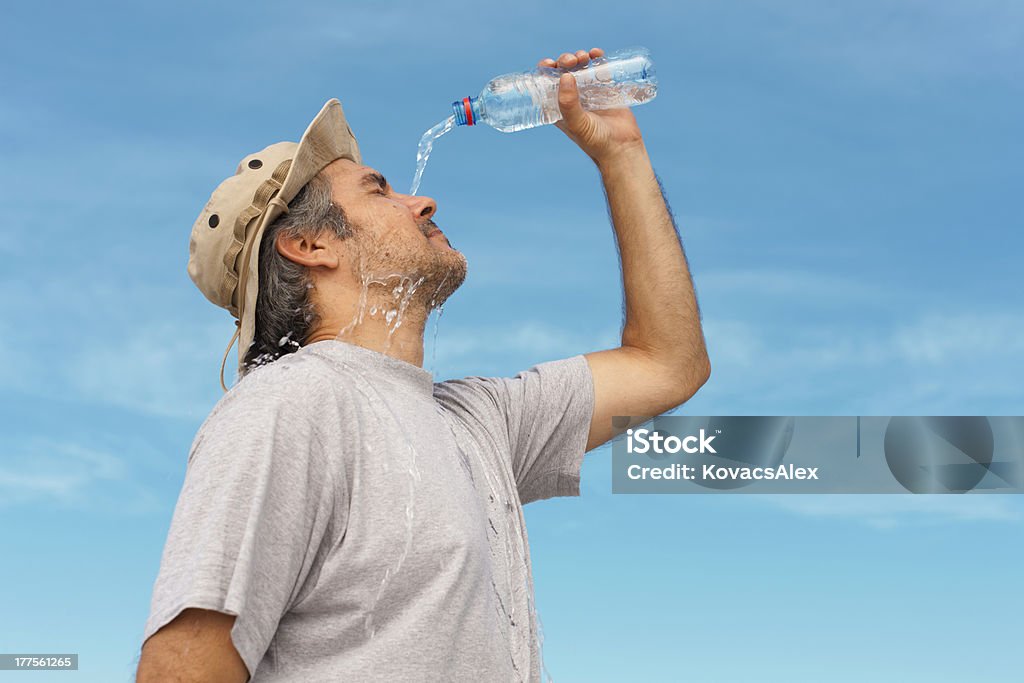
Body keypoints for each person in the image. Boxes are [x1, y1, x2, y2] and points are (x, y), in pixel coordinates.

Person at [136, 47, 710, 682]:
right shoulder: (290, 405)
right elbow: (184, 665)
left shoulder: (480, 419)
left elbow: (667, 364)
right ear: (311, 245)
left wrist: (620, 155)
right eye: (378, 190)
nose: (425, 202)